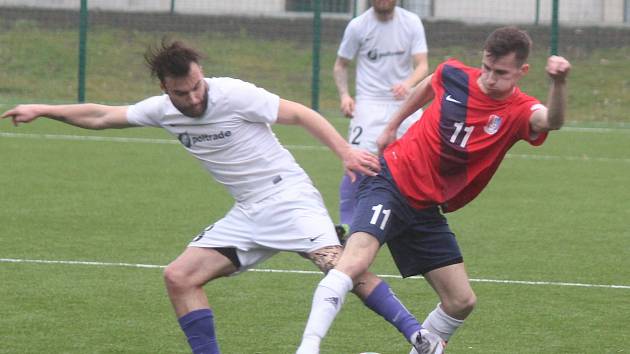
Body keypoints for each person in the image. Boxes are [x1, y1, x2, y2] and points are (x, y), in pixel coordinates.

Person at [2, 39, 439, 354]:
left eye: (196, 86)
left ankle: (420, 338)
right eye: (181, 92)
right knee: (179, 277)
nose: (193, 98)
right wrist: (43, 108)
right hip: (249, 212)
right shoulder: (162, 111)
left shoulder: (233, 93)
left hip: (288, 196)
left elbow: (300, 113)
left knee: (341, 267)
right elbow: (101, 116)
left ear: (201, 75)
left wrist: (344, 151)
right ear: (164, 88)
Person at [297, 26, 571, 353]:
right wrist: (392, 125)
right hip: (390, 179)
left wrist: (558, 83)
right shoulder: (454, 73)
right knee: (353, 262)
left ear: (522, 71)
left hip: (425, 206)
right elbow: (430, 84)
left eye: (500, 73)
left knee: (461, 300)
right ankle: (309, 346)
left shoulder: (519, 111)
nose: (489, 78)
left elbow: (551, 121)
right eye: (486, 67)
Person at [334, 0, 429, 233]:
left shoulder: (411, 22)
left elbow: (422, 65)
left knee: (421, 159)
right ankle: (348, 224)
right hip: (369, 102)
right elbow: (340, 65)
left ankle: (417, 220)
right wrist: (345, 95)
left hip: (405, 102)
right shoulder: (358, 26)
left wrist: (408, 83)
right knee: (359, 161)